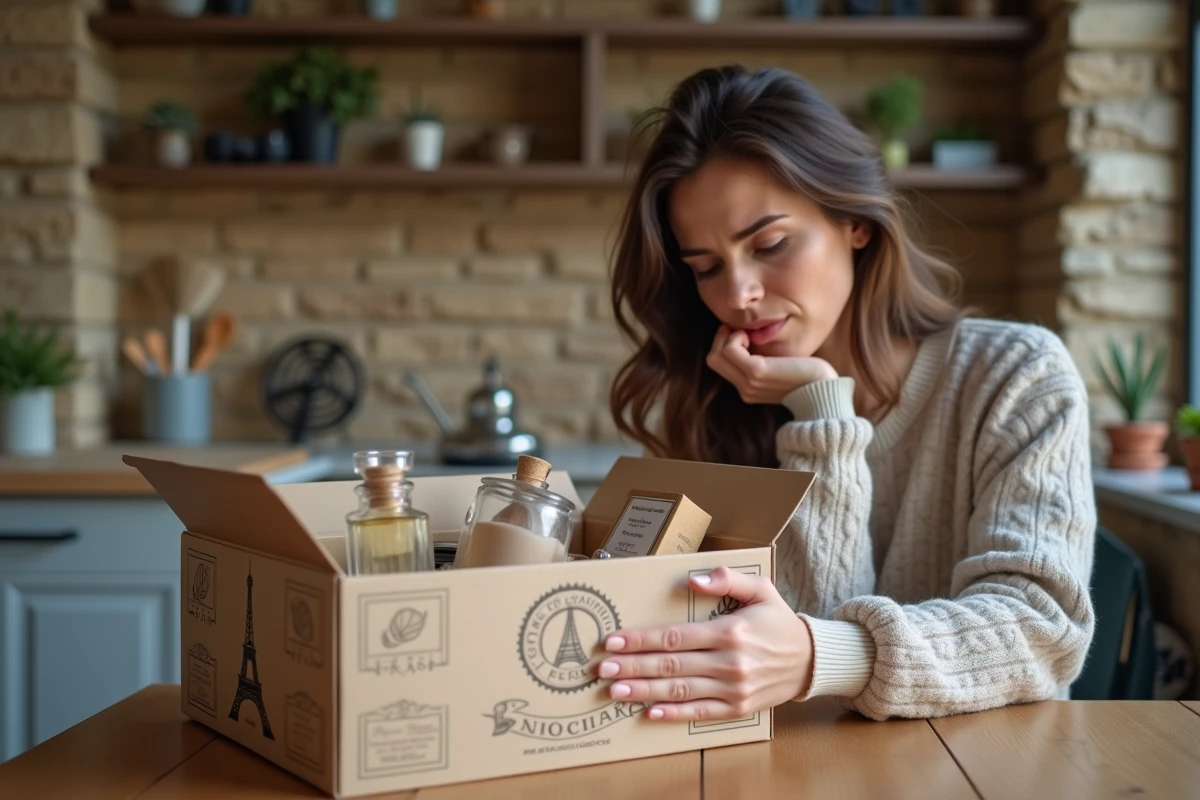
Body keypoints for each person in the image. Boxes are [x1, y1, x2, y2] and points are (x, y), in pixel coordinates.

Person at [596, 65, 1097, 722]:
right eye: (707, 267)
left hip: (990, 762)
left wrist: (824, 653)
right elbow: (785, 687)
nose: (738, 294)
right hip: (806, 763)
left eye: (770, 244)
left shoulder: (1017, 375)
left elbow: (1040, 627)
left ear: (854, 221)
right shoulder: (720, 401)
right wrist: (818, 411)